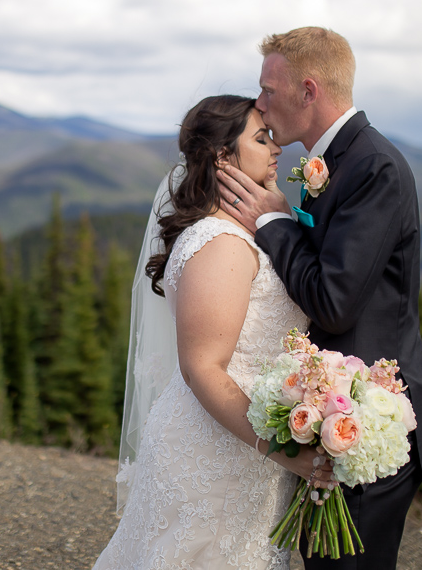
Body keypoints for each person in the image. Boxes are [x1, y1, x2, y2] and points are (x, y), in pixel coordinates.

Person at [217, 27, 422, 570]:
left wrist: (272, 220)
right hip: (327, 411)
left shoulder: (374, 167)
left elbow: (334, 302)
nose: (259, 103)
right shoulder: (336, 161)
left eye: (269, 90)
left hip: (367, 419)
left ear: (309, 91)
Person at [93, 95, 335, 570]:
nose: (276, 148)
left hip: (243, 448)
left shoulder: (244, 233)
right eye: (261, 139)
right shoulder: (221, 244)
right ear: (224, 157)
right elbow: (202, 367)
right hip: (213, 452)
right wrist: (286, 452)